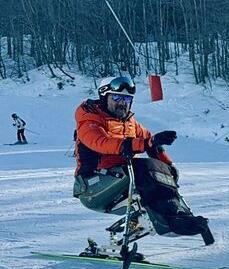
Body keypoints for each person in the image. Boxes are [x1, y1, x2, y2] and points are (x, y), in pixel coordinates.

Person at [74, 75, 214, 246]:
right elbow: (102, 143)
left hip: (122, 178)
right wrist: (143, 144)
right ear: (104, 97)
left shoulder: (130, 122)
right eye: (117, 98)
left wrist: (168, 166)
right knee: (144, 167)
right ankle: (168, 220)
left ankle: (179, 215)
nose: (122, 103)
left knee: (158, 169)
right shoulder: (89, 120)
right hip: (92, 186)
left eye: (127, 99)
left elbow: (151, 143)